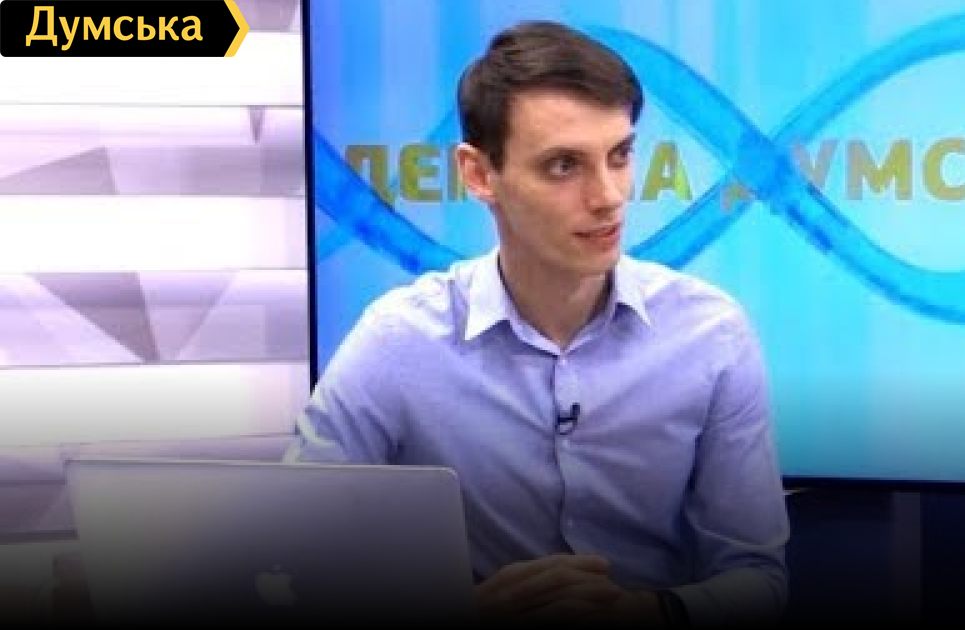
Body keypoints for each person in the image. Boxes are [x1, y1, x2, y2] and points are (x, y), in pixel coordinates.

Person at [285, 19, 791, 626]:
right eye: (563, 166)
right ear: (479, 174)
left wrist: (650, 612)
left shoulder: (711, 334)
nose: (608, 196)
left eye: (620, 156)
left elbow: (759, 578)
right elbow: (296, 557)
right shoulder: (400, 339)